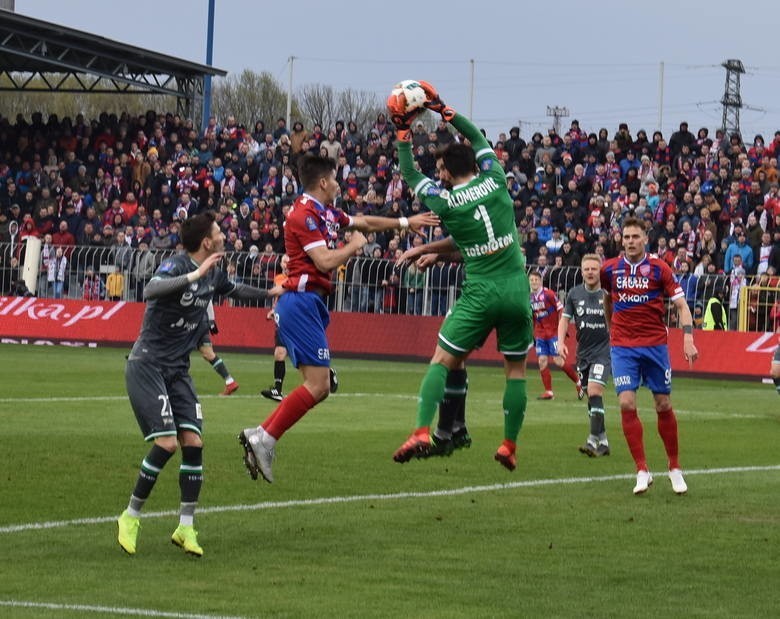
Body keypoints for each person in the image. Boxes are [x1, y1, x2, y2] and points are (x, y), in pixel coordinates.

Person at [238, 153, 437, 484]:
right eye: (336, 179)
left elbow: (364, 222)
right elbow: (325, 260)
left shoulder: (322, 211)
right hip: (300, 302)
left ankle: (264, 437)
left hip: (308, 303)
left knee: (321, 385)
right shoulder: (304, 215)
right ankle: (262, 437)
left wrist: (405, 223)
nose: (339, 185)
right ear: (323, 182)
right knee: (318, 385)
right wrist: (354, 246)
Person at [388, 80, 533, 472]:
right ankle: (508, 444)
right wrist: (442, 108)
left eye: (441, 170)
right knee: (516, 371)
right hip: (517, 289)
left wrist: (403, 134)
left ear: (448, 173)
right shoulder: (496, 178)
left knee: (442, 359)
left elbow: (407, 171)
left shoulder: (446, 201)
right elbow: (474, 135)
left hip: (482, 291)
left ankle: (422, 429)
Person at [117, 211, 279, 557]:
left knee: (193, 442)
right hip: (148, 365)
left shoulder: (215, 273)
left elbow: (236, 290)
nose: (224, 233)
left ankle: (185, 527)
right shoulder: (177, 266)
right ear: (207, 241)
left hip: (177, 370)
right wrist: (196, 273)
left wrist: (270, 292)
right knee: (167, 443)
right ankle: (130, 517)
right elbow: (151, 289)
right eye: (219, 230)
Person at [601, 216, 699, 495]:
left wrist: (688, 338)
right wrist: (612, 329)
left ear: (645, 238)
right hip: (623, 347)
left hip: (655, 345)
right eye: (626, 237)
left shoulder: (659, 269)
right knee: (626, 403)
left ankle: (675, 468)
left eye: (635, 236)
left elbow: (681, 305)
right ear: (622, 240)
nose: (630, 241)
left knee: (663, 404)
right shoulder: (611, 269)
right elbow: (608, 299)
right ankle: (642, 470)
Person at [557, 254, 611, 457]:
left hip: (603, 352)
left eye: (593, 269)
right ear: (581, 271)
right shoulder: (574, 294)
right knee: (591, 397)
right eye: (586, 269)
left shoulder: (608, 294)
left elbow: (618, 321)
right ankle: (604, 441)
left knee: (595, 392)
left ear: (599, 271)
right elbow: (564, 320)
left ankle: (592, 440)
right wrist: (561, 342)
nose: (590, 272)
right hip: (583, 354)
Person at [529, 271, 585, 400]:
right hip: (540, 334)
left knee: (558, 361)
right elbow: (533, 316)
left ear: (540, 281)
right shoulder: (530, 298)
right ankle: (549, 392)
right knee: (542, 361)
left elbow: (561, 309)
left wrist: (562, 327)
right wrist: (532, 332)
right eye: (531, 280)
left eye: (536, 280)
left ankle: (578, 382)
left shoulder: (548, 294)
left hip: (553, 332)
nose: (534, 282)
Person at [198, 301, 239, 396]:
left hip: (192, 322)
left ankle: (173, 383)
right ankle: (230, 381)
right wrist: (211, 320)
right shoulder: (203, 287)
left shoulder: (187, 286)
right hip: (202, 321)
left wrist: (211, 320)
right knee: (208, 354)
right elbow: (208, 300)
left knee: (177, 350)